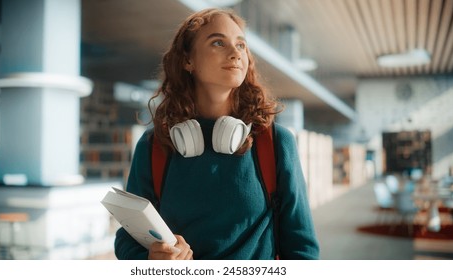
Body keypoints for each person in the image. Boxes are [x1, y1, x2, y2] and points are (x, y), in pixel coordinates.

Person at [114, 7, 320, 260]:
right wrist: (150, 259)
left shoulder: (275, 143)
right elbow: (127, 239)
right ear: (188, 60)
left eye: (241, 45)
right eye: (218, 43)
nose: (235, 54)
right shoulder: (154, 146)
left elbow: (303, 249)